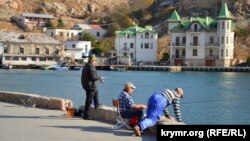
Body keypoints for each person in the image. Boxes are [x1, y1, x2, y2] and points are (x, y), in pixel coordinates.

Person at [81, 54, 103, 120]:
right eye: (95, 60)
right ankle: (86, 115)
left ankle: (97, 104)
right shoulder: (91, 67)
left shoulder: (86, 65)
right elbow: (93, 77)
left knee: (96, 90)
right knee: (89, 100)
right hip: (90, 86)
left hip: (85, 84)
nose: (96, 62)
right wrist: (100, 78)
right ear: (93, 60)